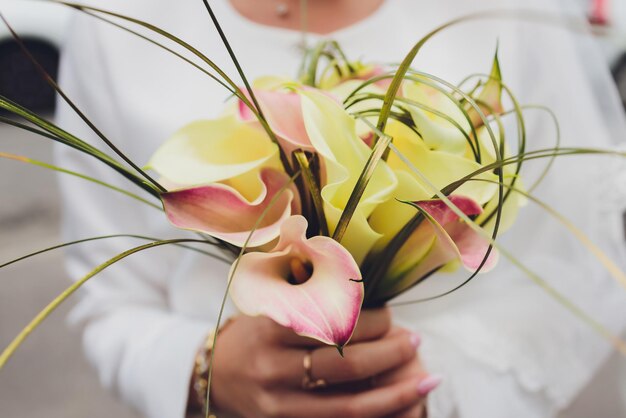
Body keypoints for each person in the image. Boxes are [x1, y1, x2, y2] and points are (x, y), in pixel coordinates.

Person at [54, 0, 626, 417]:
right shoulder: (112, 21)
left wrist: (427, 394)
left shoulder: (509, 9)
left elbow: (582, 272)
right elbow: (110, 301)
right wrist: (204, 370)